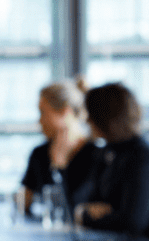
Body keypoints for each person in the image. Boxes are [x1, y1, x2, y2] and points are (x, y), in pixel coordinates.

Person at [73, 81, 149, 241]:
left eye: (91, 115)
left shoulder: (142, 157)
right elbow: (84, 200)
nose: (87, 121)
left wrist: (85, 217)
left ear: (103, 118)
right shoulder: (110, 152)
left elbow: (132, 223)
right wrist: (90, 211)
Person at [18, 79, 100, 216]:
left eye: (43, 112)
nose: (39, 121)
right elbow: (24, 202)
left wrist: (59, 166)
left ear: (65, 112)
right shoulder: (39, 154)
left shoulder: (96, 155)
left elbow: (73, 208)